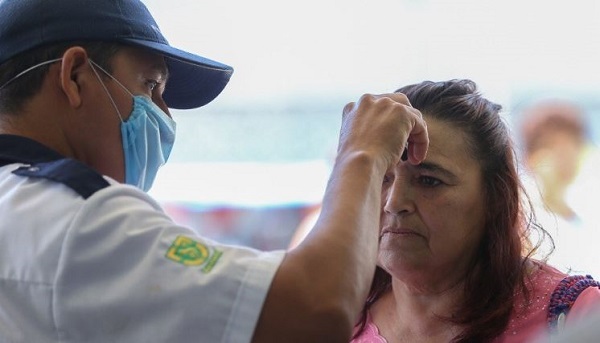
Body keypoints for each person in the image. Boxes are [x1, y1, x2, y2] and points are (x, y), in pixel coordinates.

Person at [0, 1, 429, 342]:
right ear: (75, 76)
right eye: (151, 87)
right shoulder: (75, 221)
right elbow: (315, 311)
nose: (165, 117)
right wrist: (363, 152)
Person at [349, 80, 600, 343]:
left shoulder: (576, 317)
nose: (394, 202)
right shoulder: (334, 317)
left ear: (494, 199)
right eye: (381, 177)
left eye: (428, 181)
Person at [518, 99, 600, 277]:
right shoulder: (519, 210)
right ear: (530, 156)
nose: (564, 156)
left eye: (572, 145)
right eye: (551, 146)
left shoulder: (586, 206)